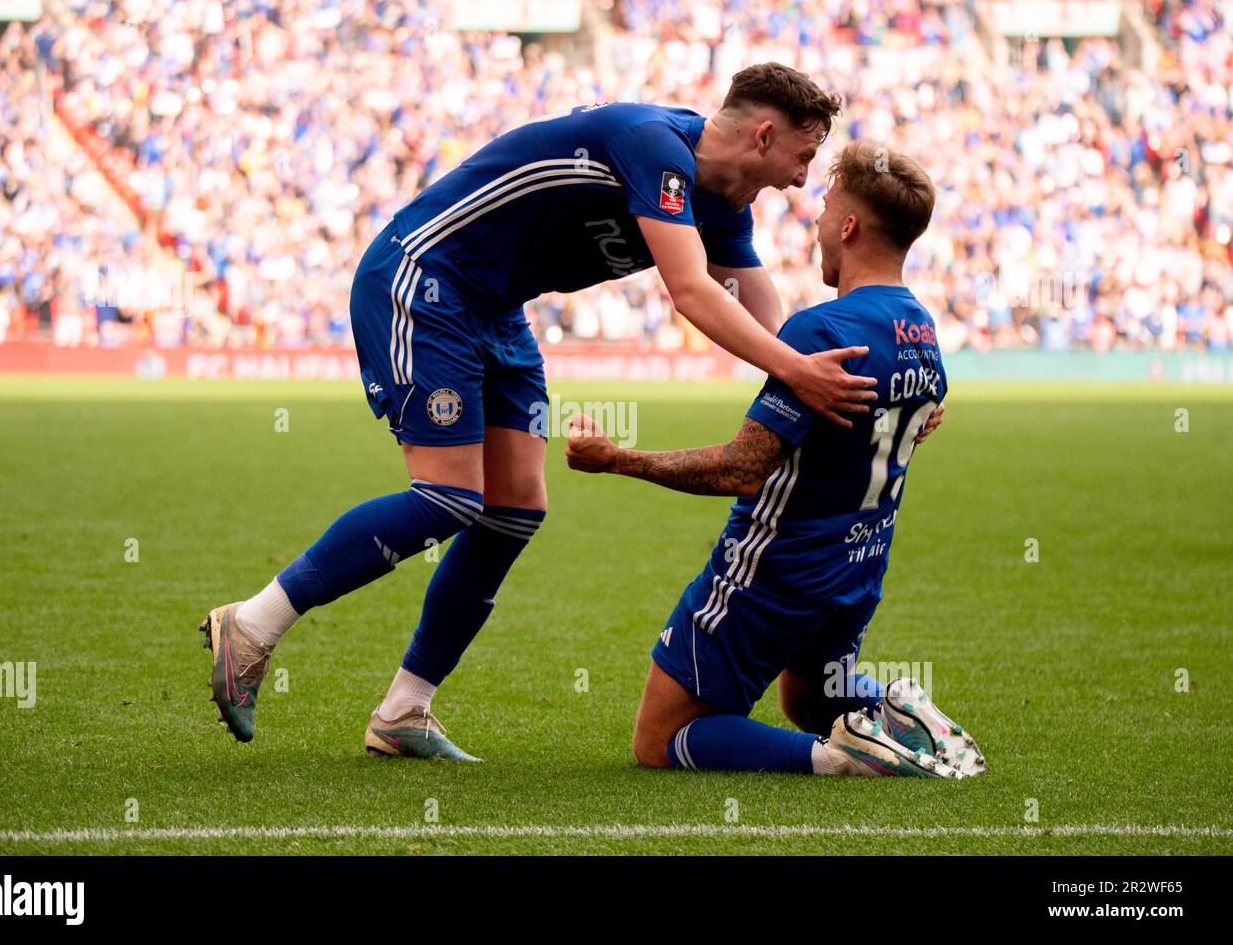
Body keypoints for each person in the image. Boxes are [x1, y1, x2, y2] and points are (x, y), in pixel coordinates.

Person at [200, 63, 879, 759]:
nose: (802, 178)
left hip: (493, 308)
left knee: (514, 507)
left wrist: (860, 378)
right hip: (424, 277)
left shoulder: (724, 207)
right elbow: (692, 293)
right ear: (764, 134)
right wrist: (796, 373)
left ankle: (404, 711)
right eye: (803, 154)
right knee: (447, 497)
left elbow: (770, 320)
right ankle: (252, 626)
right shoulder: (655, 146)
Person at [565, 141, 984, 778]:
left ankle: (839, 760)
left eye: (824, 210)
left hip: (776, 571)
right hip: (857, 568)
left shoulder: (822, 333)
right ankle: (897, 711)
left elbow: (741, 469)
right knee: (809, 697)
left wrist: (617, 459)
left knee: (661, 739)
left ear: (849, 227)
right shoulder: (923, 333)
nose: (816, 225)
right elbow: (915, 417)